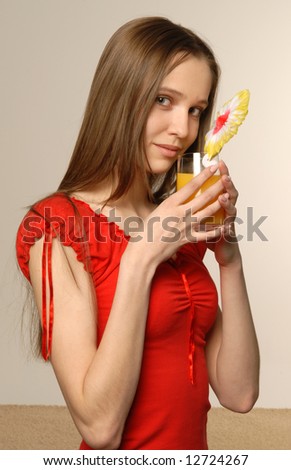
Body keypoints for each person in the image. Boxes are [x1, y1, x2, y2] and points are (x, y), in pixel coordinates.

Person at [16, 16, 260, 450]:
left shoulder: (177, 224)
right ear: (120, 97)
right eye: (163, 100)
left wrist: (229, 256)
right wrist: (142, 256)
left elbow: (239, 394)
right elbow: (99, 429)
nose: (183, 130)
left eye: (196, 111)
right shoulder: (55, 225)